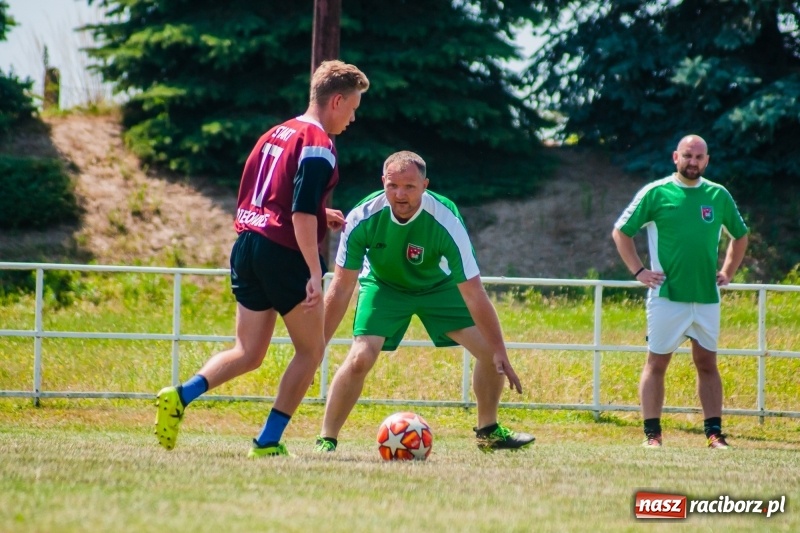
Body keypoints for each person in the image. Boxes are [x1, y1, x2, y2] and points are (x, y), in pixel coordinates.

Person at [154, 60, 370, 457]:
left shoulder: (275, 132)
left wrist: (322, 215)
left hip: (247, 246)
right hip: (283, 252)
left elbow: (275, 196)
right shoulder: (320, 145)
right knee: (311, 350)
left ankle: (181, 395)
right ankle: (268, 441)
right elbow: (300, 213)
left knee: (248, 351)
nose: (353, 117)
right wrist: (312, 269)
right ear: (336, 100)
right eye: (353, 107)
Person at [313, 150, 535, 453]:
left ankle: (489, 432)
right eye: (392, 186)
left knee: (488, 353)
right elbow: (340, 288)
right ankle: (327, 439)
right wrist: (315, 347)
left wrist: (499, 349)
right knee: (359, 358)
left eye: (409, 187)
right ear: (383, 183)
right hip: (384, 286)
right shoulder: (362, 216)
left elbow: (473, 292)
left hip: (437, 287)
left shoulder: (446, 218)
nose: (400, 194)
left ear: (425, 185)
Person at [612, 134, 749, 449]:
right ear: (676, 157)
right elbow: (621, 232)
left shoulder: (718, 195)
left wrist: (728, 271)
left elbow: (740, 236)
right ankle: (652, 436)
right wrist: (639, 271)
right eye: (687, 156)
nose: (693, 162)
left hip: (706, 298)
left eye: (699, 157)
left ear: (707, 160)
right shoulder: (657, 193)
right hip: (666, 297)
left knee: (707, 363)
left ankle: (714, 434)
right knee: (656, 364)